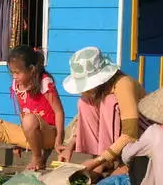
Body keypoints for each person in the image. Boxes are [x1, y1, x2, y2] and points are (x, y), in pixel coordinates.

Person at [0, 45, 65, 171]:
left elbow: (59, 111)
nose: (14, 76)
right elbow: (22, 113)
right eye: (12, 72)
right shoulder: (17, 84)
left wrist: (58, 140)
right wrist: (21, 141)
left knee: (29, 119)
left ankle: (37, 158)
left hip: (48, 135)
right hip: (30, 133)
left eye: (17, 72)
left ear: (31, 69)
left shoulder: (44, 82)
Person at [58, 46, 147, 176]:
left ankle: (122, 162)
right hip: (111, 149)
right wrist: (70, 146)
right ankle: (105, 160)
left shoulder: (123, 84)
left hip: (140, 135)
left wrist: (97, 161)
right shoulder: (95, 91)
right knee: (84, 102)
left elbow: (130, 134)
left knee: (109, 102)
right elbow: (83, 119)